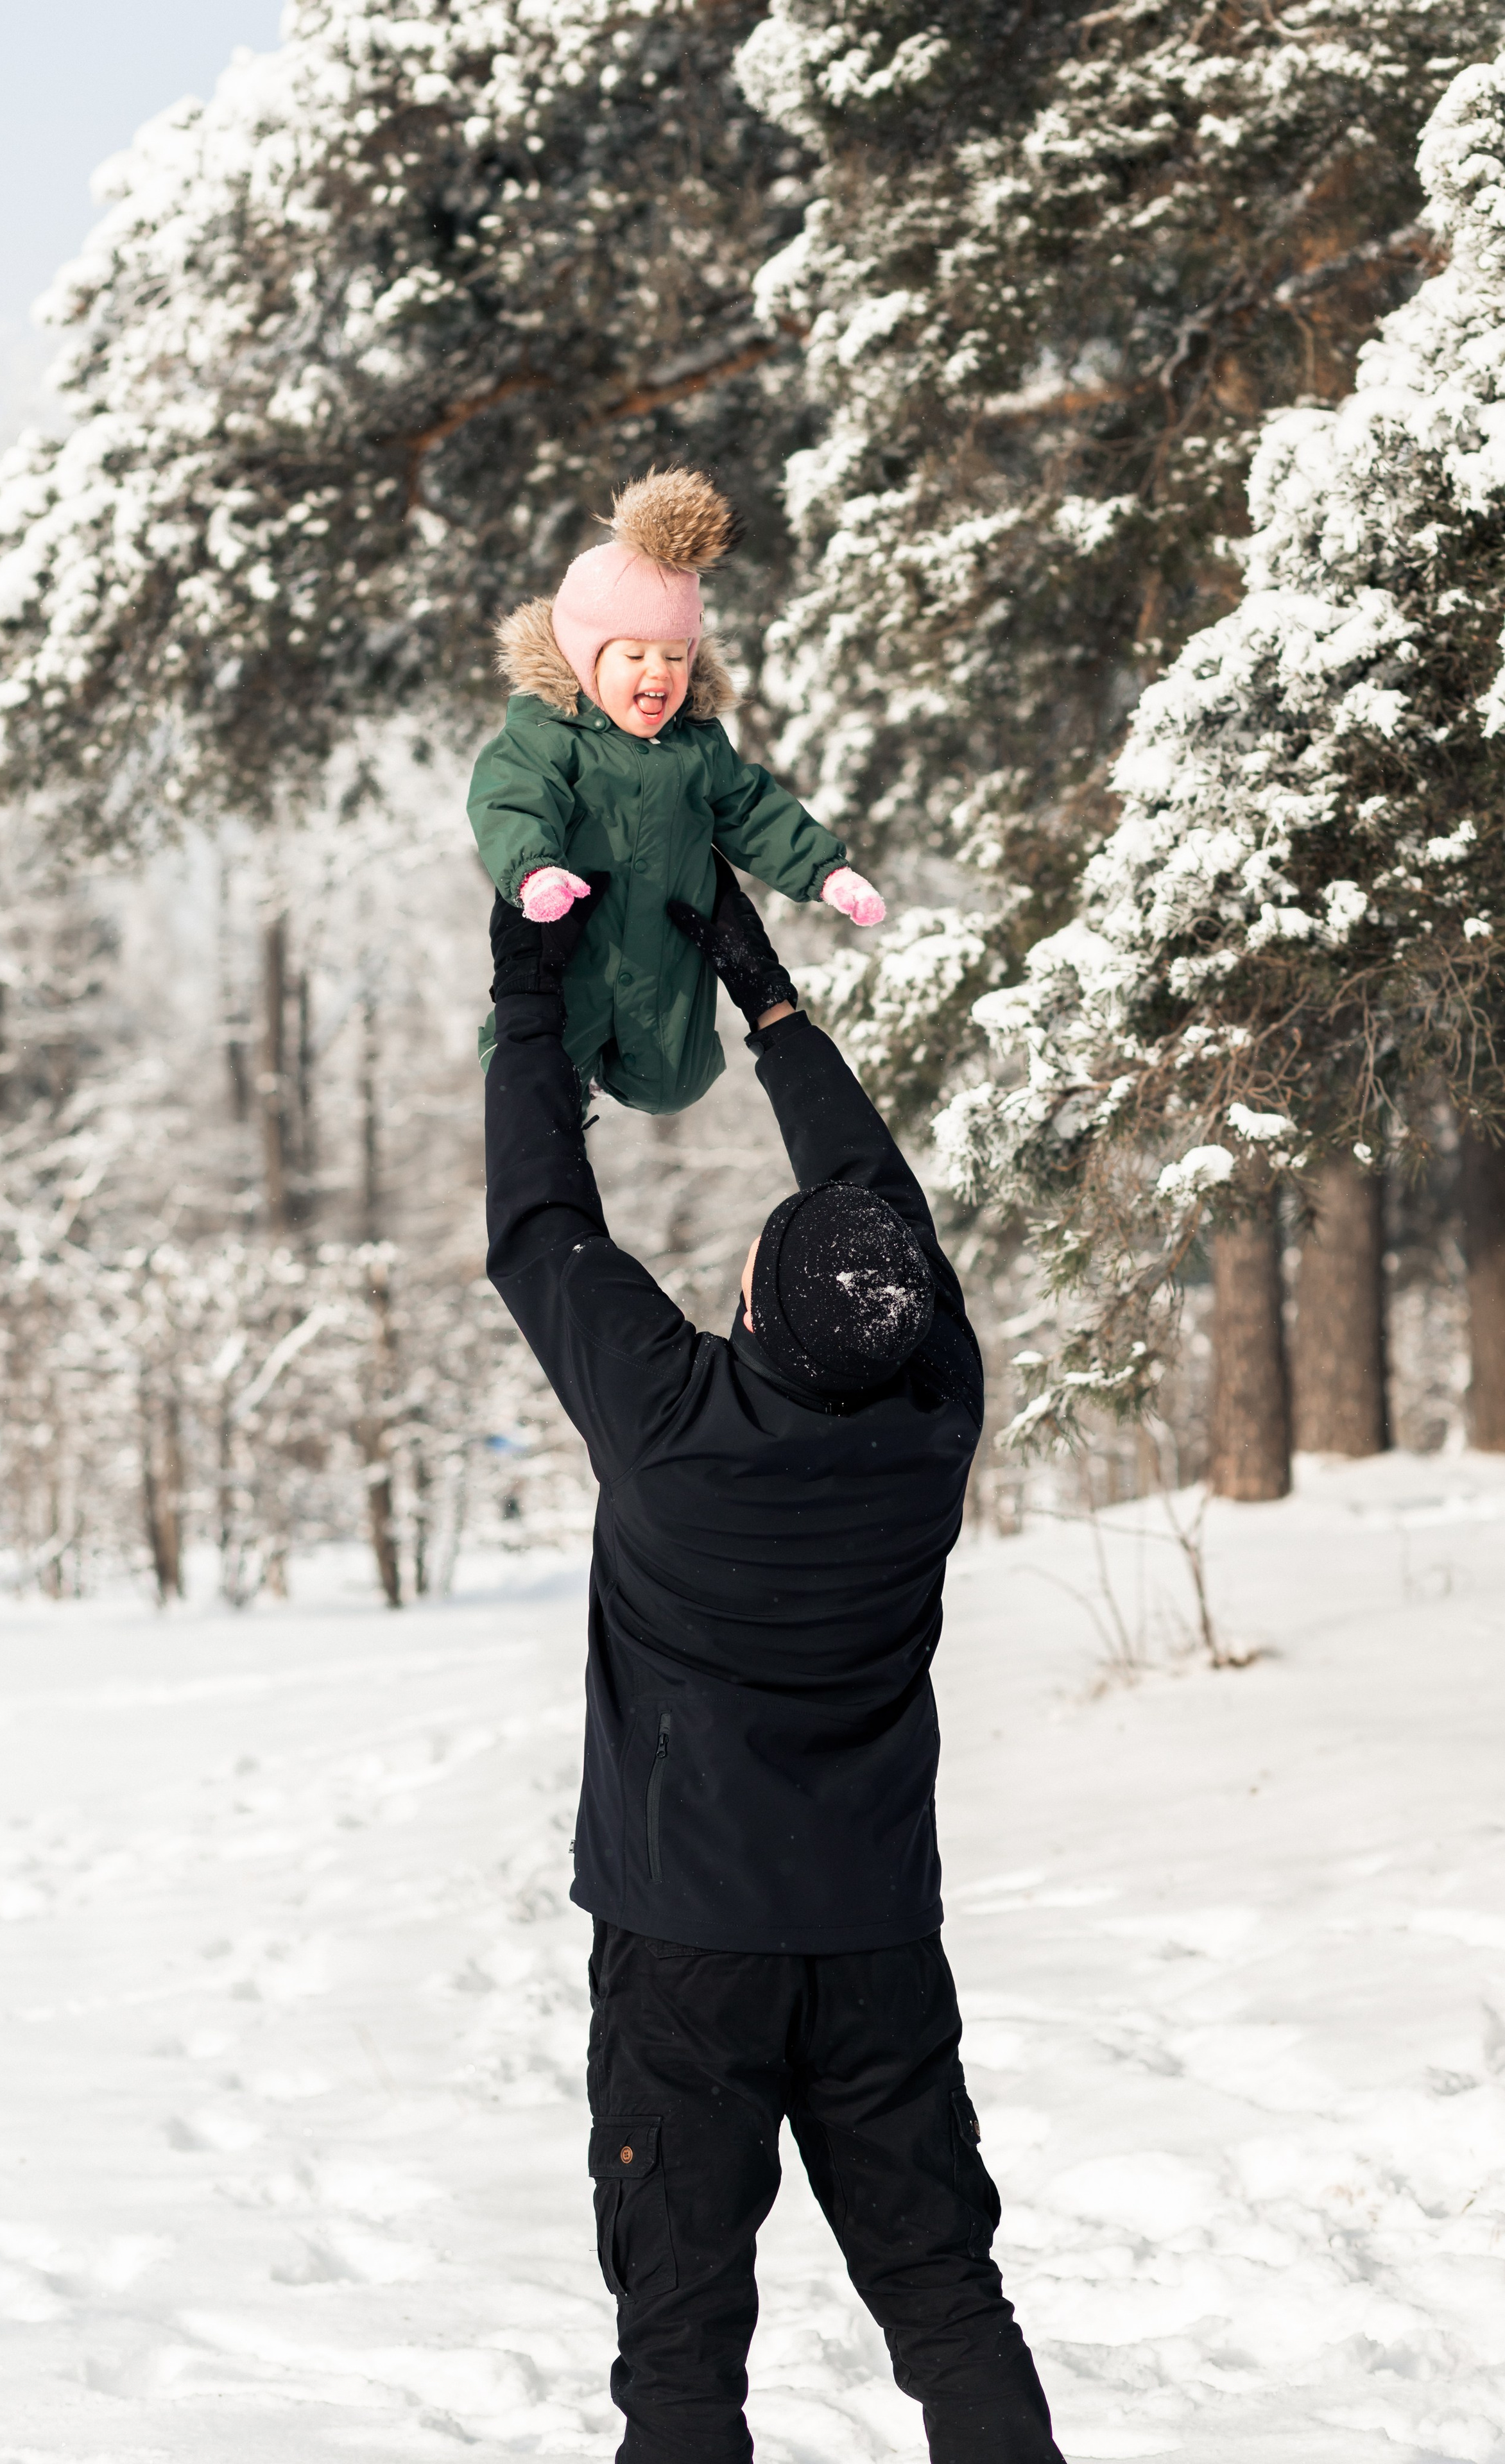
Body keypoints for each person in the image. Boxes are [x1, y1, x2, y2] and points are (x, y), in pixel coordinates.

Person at [483, 857, 1065, 2464]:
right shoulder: (923, 1418)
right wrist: (775, 996)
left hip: (685, 1958)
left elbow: (536, 1222)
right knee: (948, 2294)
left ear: (749, 1312)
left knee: (678, 2351)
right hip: (873, 1945)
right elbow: (889, 1228)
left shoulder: (671, 1434)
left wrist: (527, 1000)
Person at [468, 466, 886, 1116]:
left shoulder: (698, 744)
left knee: (675, 1084)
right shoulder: (548, 736)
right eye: (633, 656)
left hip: (664, 955)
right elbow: (511, 799)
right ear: (586, 660)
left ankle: (624, 1078)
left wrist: (827, 873)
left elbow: (750, 808)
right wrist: (535, 872)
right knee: (543, 1087)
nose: (658, 675)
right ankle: (553, 1080)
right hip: (578, 948)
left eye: (674, 655)